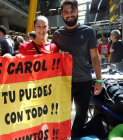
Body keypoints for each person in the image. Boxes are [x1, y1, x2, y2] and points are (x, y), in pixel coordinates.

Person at [52, 0, 102, 138]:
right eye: (66, 12)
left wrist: (99, 79)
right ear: (62, 14)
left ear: (77, 12)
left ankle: (76, 137)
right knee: (62, 115)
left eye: (72, 11)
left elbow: (95, 57)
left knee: (80, 117)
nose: (69, 15)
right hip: (64, 83)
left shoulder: (88, 31)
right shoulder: (57, 35)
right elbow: (50, 58)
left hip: (84, 81)